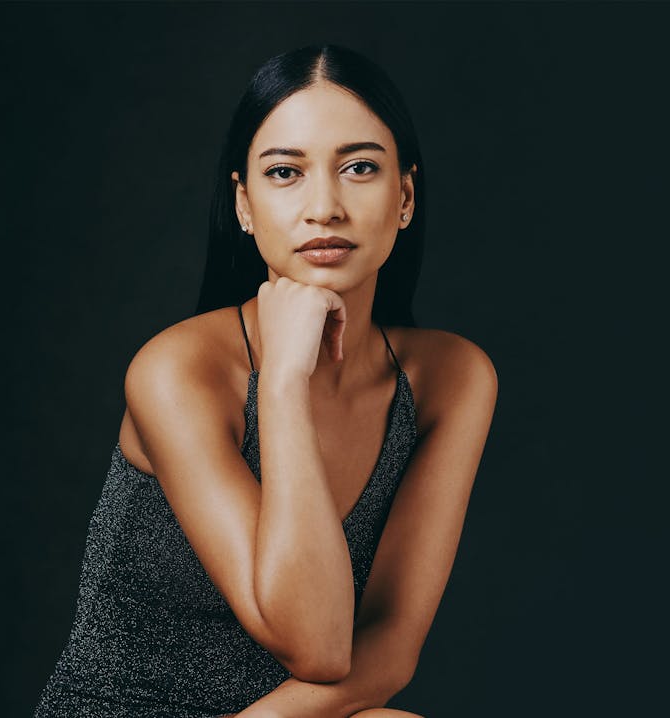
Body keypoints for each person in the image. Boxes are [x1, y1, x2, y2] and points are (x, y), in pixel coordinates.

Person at [33, 44, 498, 718]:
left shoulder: (448, 378)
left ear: (404, 198)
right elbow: (316, 646)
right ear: (244, 206)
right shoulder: (177, 370)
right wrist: (281, 380)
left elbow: (388, 649)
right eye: (285, 172)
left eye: (360, 168)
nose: (324, 207)